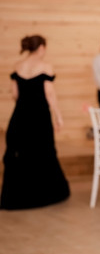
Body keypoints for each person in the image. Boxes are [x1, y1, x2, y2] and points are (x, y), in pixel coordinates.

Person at [1, 35, 70, 210]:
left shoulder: (17, 67)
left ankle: (17, 197)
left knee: (21, 155)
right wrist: (58, 116)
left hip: (20, 117)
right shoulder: (45, 67)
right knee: (42, 153)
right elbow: (50, 94)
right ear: (41, 48)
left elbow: (15, 95)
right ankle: (43, 195)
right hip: (39, 118)